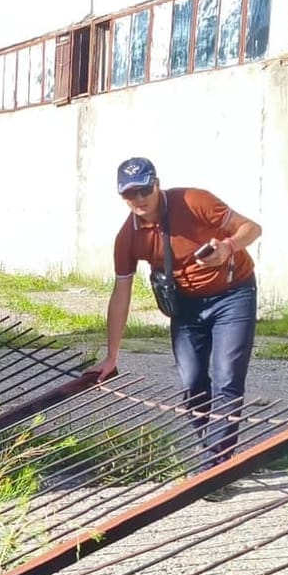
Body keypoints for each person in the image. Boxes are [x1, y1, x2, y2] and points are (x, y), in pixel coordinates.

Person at [90, 157, 264, 473]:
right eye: (130, 195)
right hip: (185, 307)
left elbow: (252, 228)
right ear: (121, 196)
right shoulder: (128, 238)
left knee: (227, 379)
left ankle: (216, 469)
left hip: (233, 294)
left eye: (144, 190)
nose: (139, 200)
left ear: (157, 184)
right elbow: (121, 295)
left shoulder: (194, 201)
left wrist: (228, 247)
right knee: (192, 381)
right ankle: (212, 452)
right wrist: (112, 355)